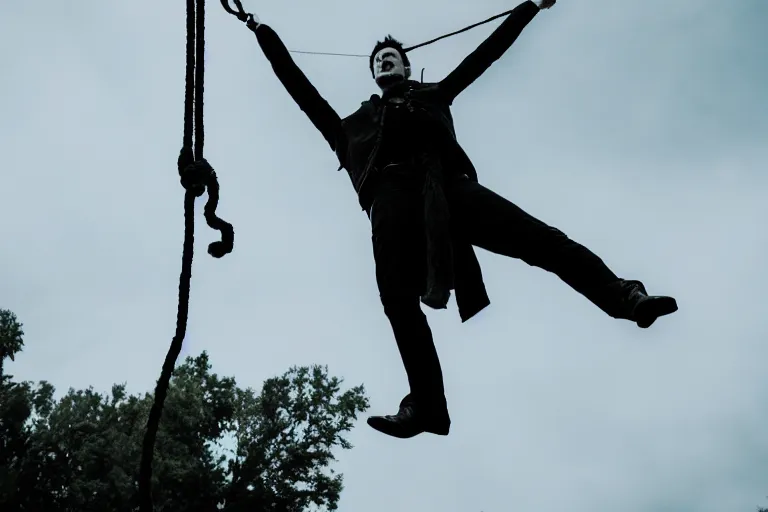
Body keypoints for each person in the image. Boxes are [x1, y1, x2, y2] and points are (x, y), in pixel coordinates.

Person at [247, 0, 678, 440]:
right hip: (390, 200)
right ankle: (429, 407)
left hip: (446, 186)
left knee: (542, 241)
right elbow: (297, 86)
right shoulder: (348, 128)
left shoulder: (433, 95)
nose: (384, 59)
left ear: (407, 65)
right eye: (377, 59)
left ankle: (625, 298)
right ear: (372, 74)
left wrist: (530, 5)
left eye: (391, 55)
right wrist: (258, 28)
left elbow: (485, 56)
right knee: (396, 301)